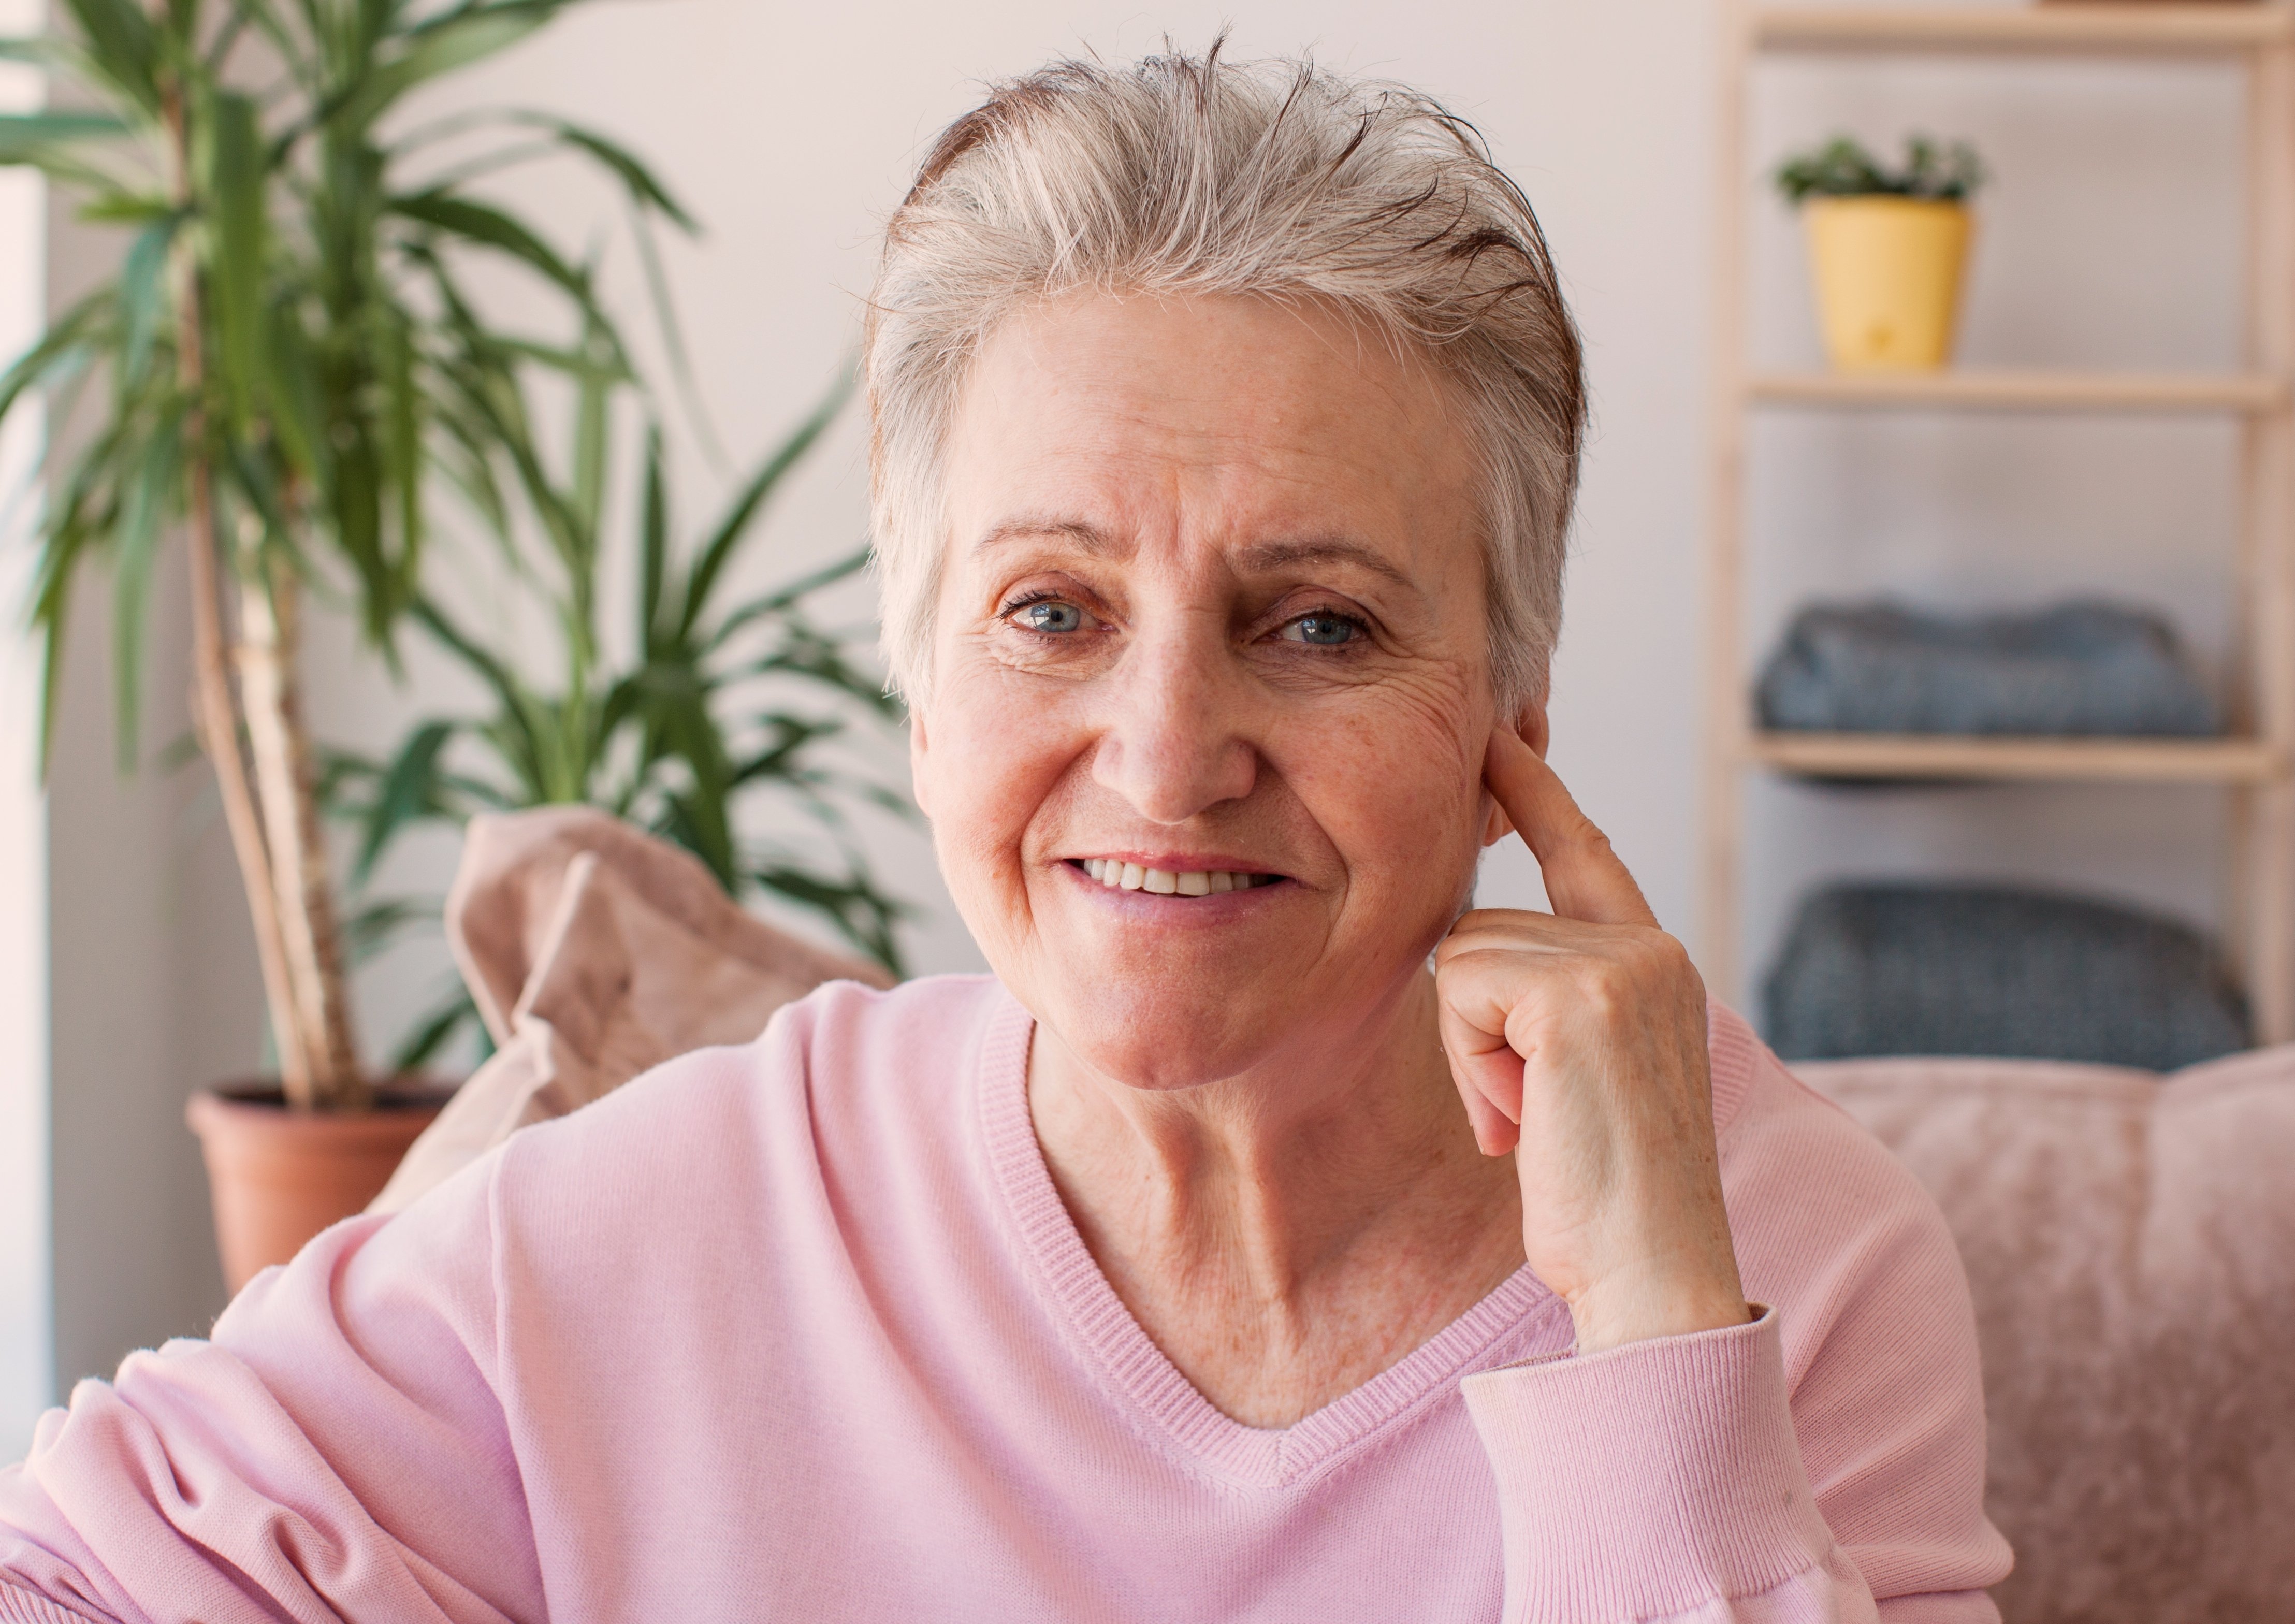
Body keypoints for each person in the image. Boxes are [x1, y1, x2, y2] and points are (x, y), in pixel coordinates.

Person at [0, 47, 2011, 1623]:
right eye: (1051, 611)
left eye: (1317, 624)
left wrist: (1656, 1325)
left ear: (1512, 710)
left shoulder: (1787, 1262)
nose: (1164, 756)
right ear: (920, 669)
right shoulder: (686, 1214)